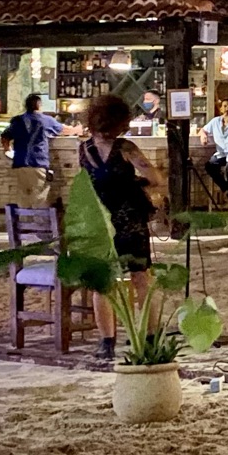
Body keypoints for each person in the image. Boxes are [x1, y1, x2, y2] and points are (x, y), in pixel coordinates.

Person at [79, 91, 167, 363]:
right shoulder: (126, 148)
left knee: (102, 284)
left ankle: (107, 342)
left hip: (100, 222)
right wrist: (139, 184)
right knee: (142, 279)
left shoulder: (84, 149)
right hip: (129, 221)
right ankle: (149, 337)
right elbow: (156, 178)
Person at [1, 93, 64, 207]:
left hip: (20, 162)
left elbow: (5, 137)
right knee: (39, 197)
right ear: (38, 105)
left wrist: (8, 151)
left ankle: (24, 217)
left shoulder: (18, 120)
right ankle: (38, 218)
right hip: (37, 162)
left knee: (23, 196)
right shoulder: (45, 120)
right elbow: (63, 130)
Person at [201, 96, 228, 201]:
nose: (227, 109)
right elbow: (203, 130)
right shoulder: (215, 121)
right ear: (221, 109)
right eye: (225, 106)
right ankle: (226, 187)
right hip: (221, 153)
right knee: (209, 166)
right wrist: (203, 135)